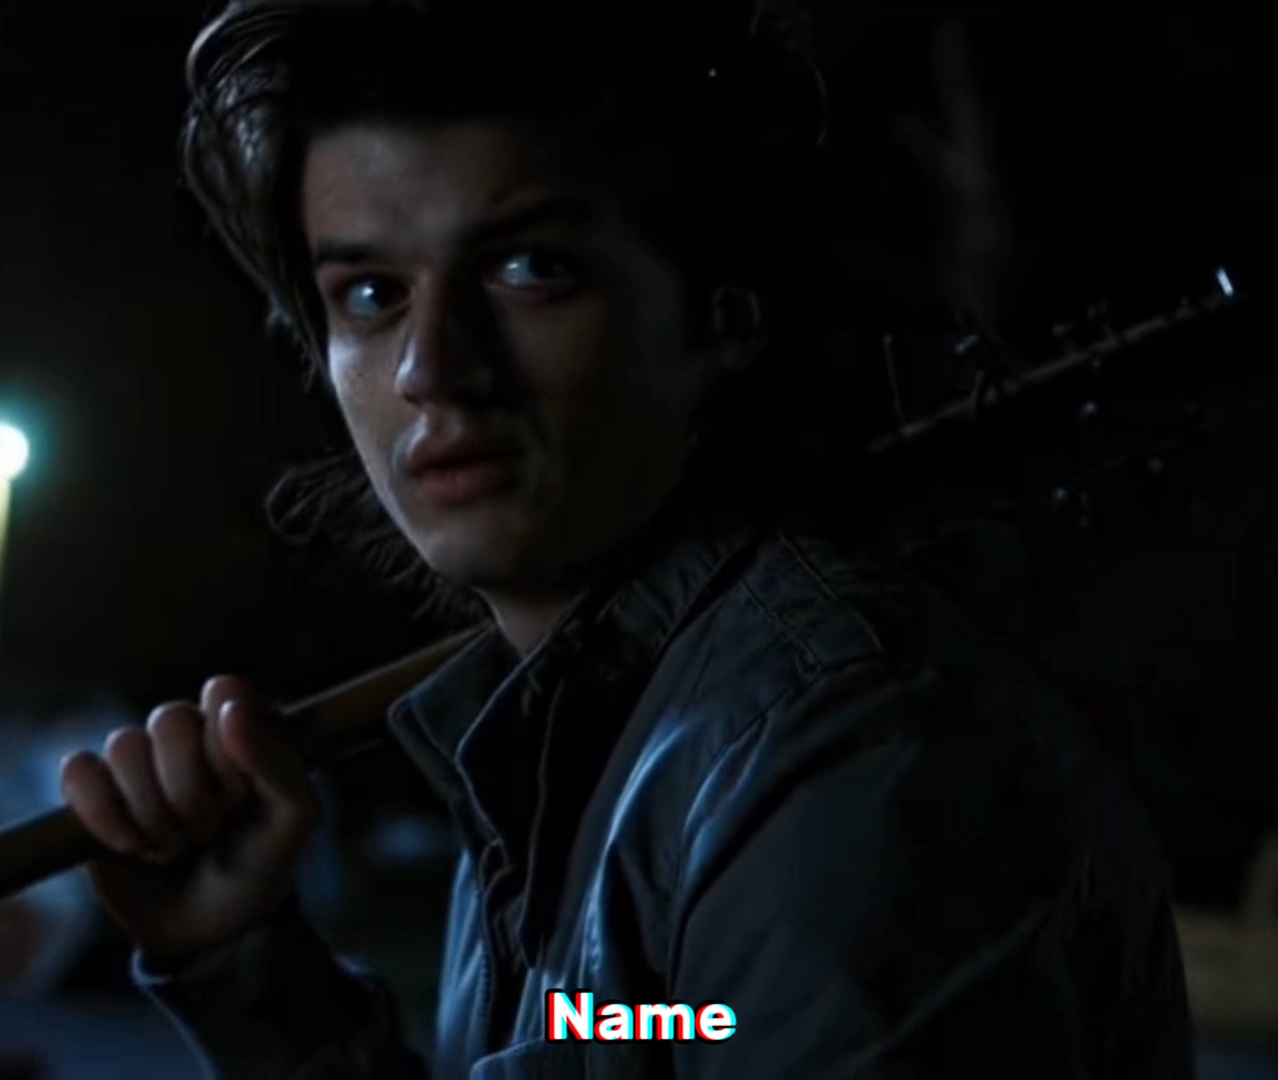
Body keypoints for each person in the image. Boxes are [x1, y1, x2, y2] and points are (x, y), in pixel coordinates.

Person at [58, 2, 1195, 1076]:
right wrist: (242, 959)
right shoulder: (556, 754)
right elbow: (664, 1022)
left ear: (720, 310)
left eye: (530, 268)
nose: (431, 368)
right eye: (369, 293)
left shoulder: (845, 765)